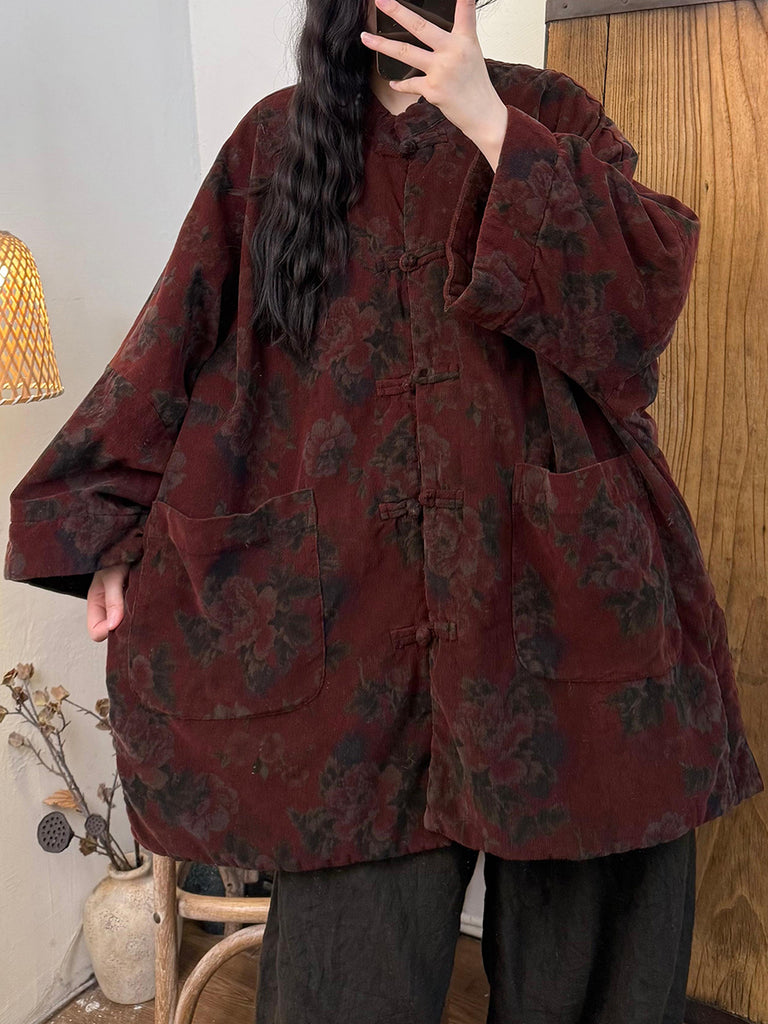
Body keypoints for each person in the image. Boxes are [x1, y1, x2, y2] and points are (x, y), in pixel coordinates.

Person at [5, 0, 763, 1021]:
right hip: (350, 644)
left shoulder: (548, 112)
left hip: (558, 603)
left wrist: (488, 121)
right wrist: (108, 522)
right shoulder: (274, 147)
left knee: (588, 952)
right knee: (342, 982)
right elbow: (175, 336)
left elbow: (637, 311)